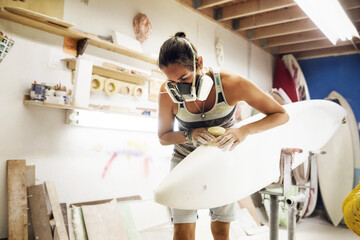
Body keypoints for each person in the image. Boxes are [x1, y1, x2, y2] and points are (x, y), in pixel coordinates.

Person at [157, 32, 289, 240]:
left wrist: (243, 130)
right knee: (182, 232)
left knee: (220, 230)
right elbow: (164, 137)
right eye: (171, 81)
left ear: (199, 63)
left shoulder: (230, 84)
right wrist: (189, 134)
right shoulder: (167, 92)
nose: (179, 88)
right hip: (185, 160)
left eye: (184, 78)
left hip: (222, 160)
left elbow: (281, 115)